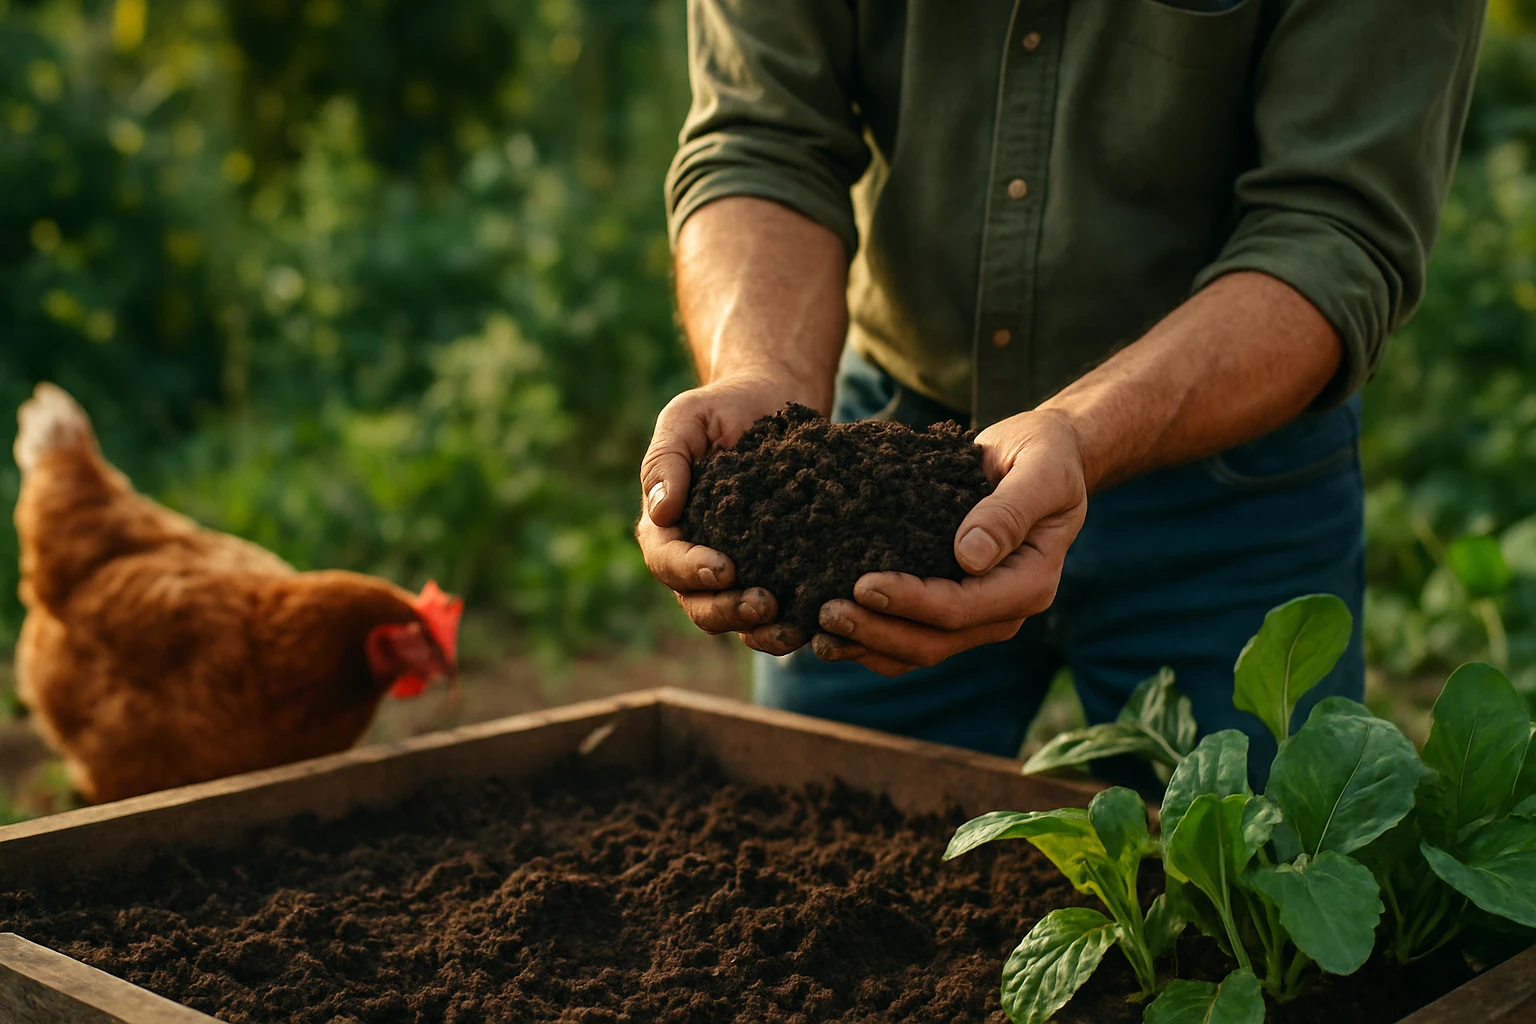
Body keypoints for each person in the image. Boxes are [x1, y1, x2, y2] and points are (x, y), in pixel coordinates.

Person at [636, 0, 1486, 784]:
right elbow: (763, 138)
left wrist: (1079, 433)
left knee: (1241, 879)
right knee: (819, 845)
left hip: (1230, 478)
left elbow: (1333, 230)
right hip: (888, 460)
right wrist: (767, 382)